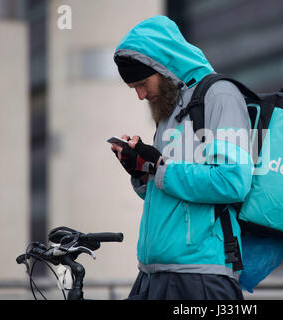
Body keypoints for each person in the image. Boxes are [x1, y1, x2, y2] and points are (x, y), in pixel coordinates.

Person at [110, 15, 253, 300]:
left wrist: (160, 166)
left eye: (142, 83)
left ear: (163, 67)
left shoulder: (221, 96)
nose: (139, 95)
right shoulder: (169, 110)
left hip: (200, 276)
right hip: (153, 274)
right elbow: (170, 191)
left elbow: (233, 181)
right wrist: (140, 170)